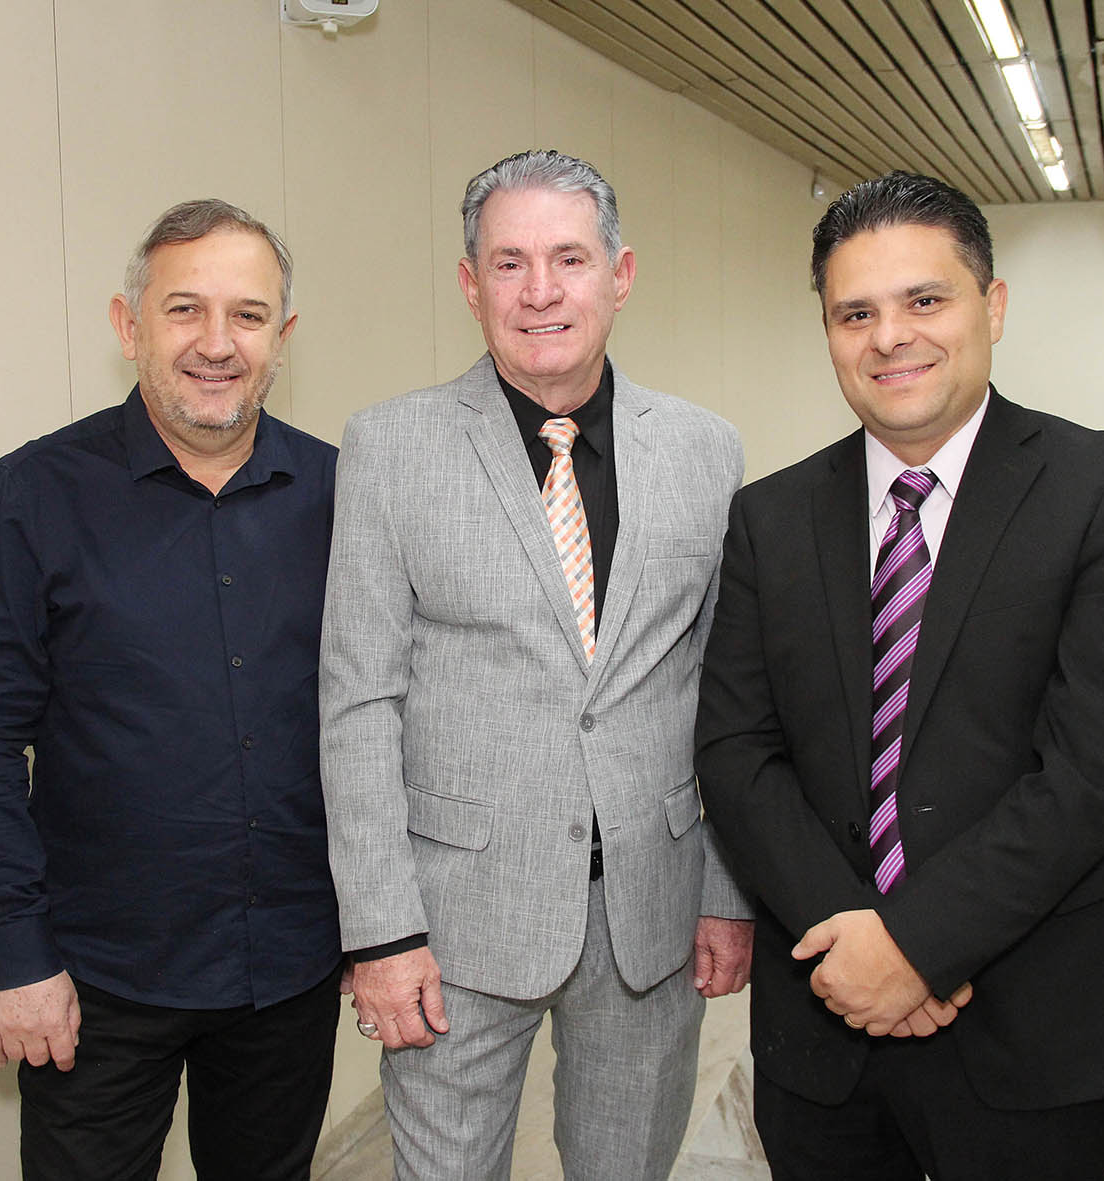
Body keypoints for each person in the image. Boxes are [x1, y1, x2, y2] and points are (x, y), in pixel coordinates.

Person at [694, 171, 1104, 1180]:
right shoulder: (769, 517)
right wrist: (857, 949)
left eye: (923, 299)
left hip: (1036, 1020)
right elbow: (736, 750)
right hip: (825, 1013)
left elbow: (1093, 770)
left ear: (992, 305)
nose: (890, 337)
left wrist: (915, 946)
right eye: (855, 313)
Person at [319, 149, 754, 1180]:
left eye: (568, 258)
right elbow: (357, 704)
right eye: (508, 263)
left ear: (620, 273)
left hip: (650, 914)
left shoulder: (705, 451)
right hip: (453, 925)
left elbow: (731, 695)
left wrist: (726, 890)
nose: (540, 290)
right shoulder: (389, 448)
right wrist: (380, 933)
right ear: (470, 284)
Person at [0, 199, 341, 1180]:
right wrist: (16, 952)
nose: (217, 343)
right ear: (129, 326)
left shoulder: (345, 495)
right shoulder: (32, 495)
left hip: (288, 967)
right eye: (183, 308)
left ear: (281, 337)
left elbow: (383, 721)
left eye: (247, 315)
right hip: (96, 979)